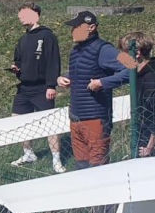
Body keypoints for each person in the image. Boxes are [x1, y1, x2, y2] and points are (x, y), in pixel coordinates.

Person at [56, 11, 136, 168]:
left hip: (96, 119)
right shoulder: (75, 51)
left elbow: (133, 66)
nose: (72, 31)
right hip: (76, 118)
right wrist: (62, 78)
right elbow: (81, 72)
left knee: (98, 168)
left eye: (77, 27)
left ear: (91, 27)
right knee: (81, 167)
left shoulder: (105, 49)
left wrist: (103, 82)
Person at [9, 4, 64, 173]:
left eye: (25, 14)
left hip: (42, 88)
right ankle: (28, 153)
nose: (21, 18)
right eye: (20, 15)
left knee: (50, 124)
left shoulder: (47, 36)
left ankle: (56, 160)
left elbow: (53, 62)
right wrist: (16, 68)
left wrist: (51, 85)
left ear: (36, 16)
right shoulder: (23, 39)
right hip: (24, 88)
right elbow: (18, 60)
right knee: (18, 120)